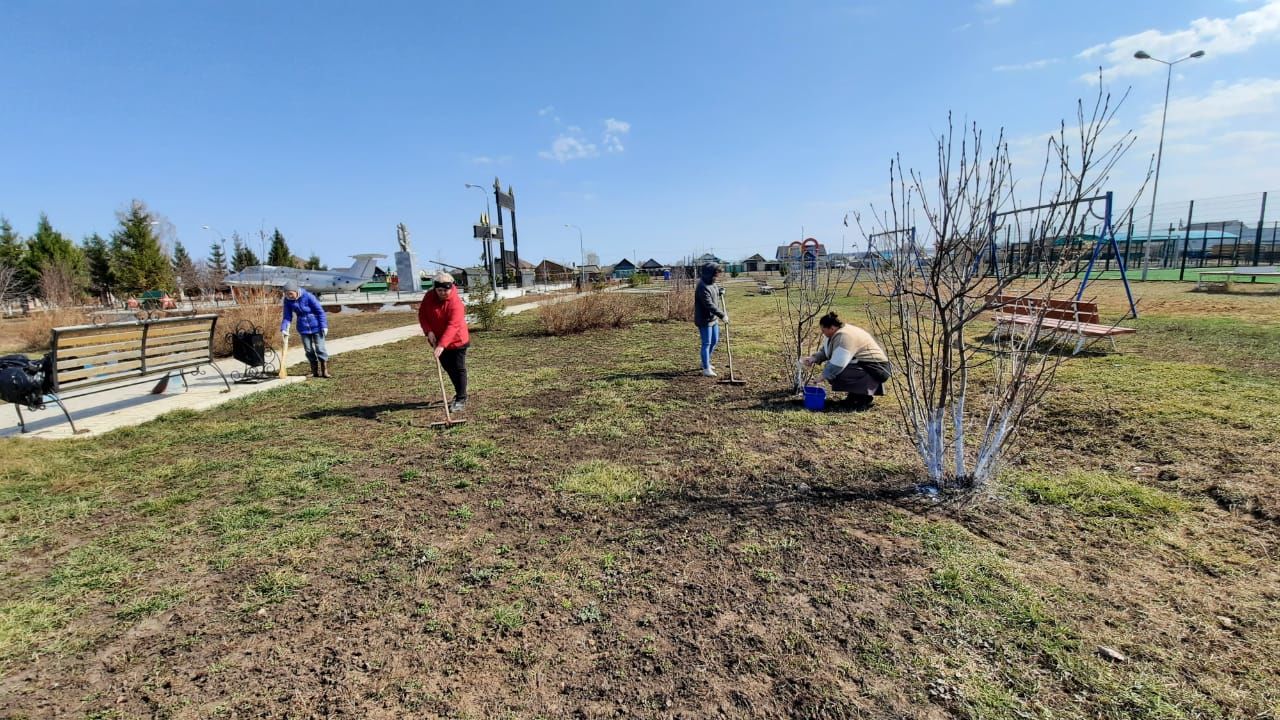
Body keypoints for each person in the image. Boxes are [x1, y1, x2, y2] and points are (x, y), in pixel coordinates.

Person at [801, 311, 891, 410]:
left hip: (877, 369)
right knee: (833, 370)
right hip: (864, 365)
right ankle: (855, 396)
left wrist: (822, 376)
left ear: (832, 328)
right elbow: (827, 351)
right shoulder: (836, 333)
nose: (822, 333)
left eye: (823, 330)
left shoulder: (845, 336)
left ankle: (862, 398)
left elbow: (838, 364)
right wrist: (814, 358)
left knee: (836, 373)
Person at [418, 271, 470, 413]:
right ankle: (459, 391)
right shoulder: (429, 297)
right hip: (438, 340)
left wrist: (442, 345)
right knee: (448, 368)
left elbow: (453, 326)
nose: (442, 293)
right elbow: (422, 315)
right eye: (439, 290)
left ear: (451, 287)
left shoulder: (456, 303)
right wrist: (428, 331)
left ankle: (461, 397)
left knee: (458, 368)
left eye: (445, 290)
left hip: (457, 341)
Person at [280, 280, 331, 378]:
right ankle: (315, 371)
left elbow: (320, 312)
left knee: (320, 348)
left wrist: (324, 326)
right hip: (303, 328)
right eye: (286, 294)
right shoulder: (287, 301)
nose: (289, 296)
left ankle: (325, 371)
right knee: (308, 350)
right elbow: (287, 317)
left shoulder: (308, 296)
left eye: (290, 294)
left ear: (296, 291)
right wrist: (284, 328)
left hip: (316, 326)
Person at [694, 263, 727, 377]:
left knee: (714, 341)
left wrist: (720, 291)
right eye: (716, 273)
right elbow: (709, 305)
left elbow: (715, 290)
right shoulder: (702, 286)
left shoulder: (712, 283)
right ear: (710, 273)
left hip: (713, 318)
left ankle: (705, 361)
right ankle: (706, 368)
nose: (717, 276)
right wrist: (722, 315)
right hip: (704, 319)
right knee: (706, 343)